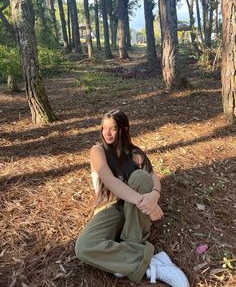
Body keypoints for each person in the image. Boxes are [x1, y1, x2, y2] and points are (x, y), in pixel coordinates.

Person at [75, 110, 189, 287]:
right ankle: (152, 260)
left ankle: (127, 258)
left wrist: (154, 196)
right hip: (110, 207)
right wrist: (144, 203)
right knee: (83, 247)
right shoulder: (98, 150)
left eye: (113, 128)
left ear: (124, 129)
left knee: (140, 177)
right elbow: (109, 179)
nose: (107, 133)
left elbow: (153, 179)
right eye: (104, 128)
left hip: (134, 209)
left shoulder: (135, 153)